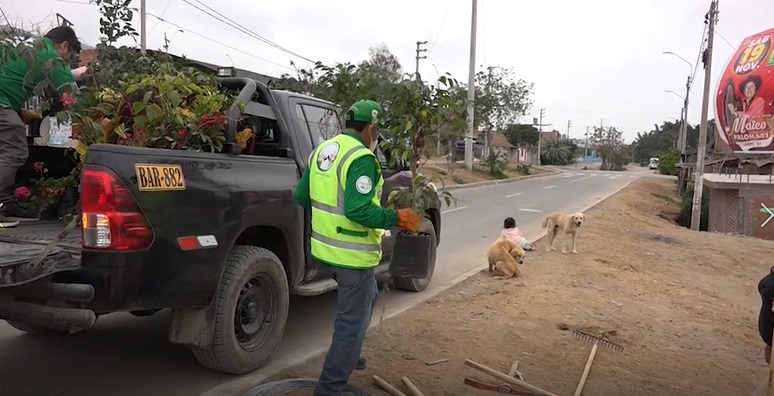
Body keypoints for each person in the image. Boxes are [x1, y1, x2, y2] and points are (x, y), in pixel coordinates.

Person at [294, 99, 423, 395]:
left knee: (367, 298)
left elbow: (302, 196)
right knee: (350, 323)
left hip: (325, 251)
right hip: (351, 255)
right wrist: (397, 217)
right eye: (376, 132)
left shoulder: (323, 150)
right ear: (372, 128)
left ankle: (352, 355)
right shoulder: (362, 158)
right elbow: (357, 210)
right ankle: (330, 387)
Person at [0, 26, 82, 224]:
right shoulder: (53, 58)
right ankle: (2, 204)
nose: (67, 62)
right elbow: (76, 101)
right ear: (64, 46)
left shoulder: (27, 44)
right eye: (70, 57)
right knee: (15, 148)